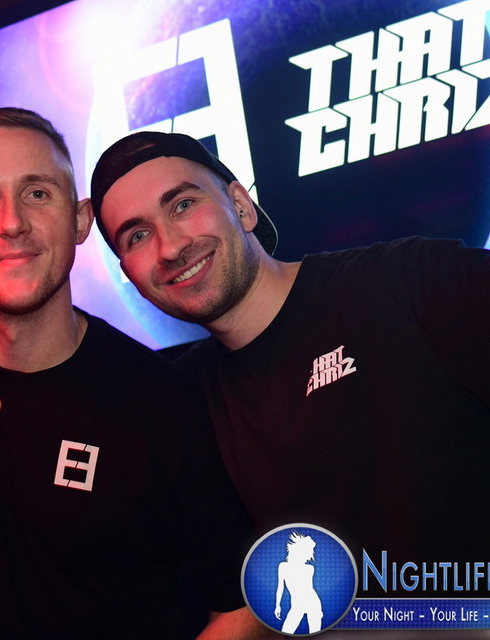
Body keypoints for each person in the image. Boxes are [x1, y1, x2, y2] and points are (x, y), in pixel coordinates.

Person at [0, 110, 268, 640]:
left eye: (37, 193)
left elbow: (241, 603)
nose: (12, 223)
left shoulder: (162, 404)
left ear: (79, 221)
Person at [89, 131, 490, 600]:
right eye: (137, 235)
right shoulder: (178, 403)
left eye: (182, 205)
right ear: (130, 276)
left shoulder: (407, 283)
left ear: (241, 206)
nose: (170, 246)